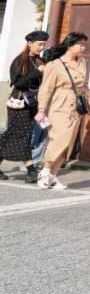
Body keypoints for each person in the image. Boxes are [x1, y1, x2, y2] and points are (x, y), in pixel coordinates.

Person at [35, 32, 90, 191]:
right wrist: (41, 110)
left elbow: (83, 85)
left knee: (68, 144)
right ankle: (45, 171)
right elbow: (46, 89)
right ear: (69, 45)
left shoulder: (82, 62)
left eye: (83, 44)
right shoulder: (55, 65)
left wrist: (89, 101)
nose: (83, 47)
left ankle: (52, 176)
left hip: (76, 108)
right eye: (80, 44)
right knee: (59, 139)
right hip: (59, 106)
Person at [0, 31, 47, 182]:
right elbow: (18, 83)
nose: (41, 47)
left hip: (33, 104)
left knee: (12, 135)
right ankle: (30, 170)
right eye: (39, 44)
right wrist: (36, 73)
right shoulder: (20, 60)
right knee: (22, 135)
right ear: (29, 43)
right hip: (18, 104)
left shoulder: (40, 60)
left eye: (44, 45)